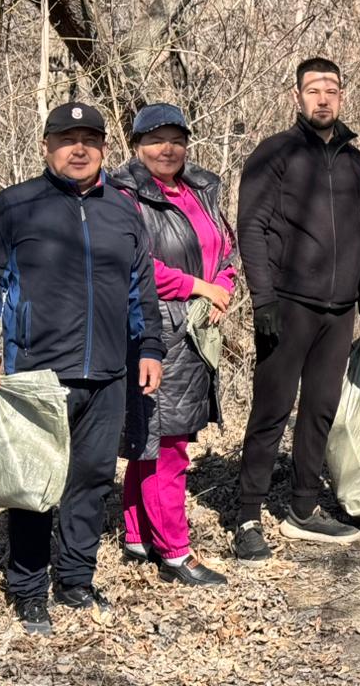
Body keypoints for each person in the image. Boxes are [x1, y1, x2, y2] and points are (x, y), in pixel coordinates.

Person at [0, 102, 165, 635]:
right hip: (36, 374)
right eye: (67, 138)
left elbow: (141, 285)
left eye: (90, 139)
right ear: (46, 146)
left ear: (104, 148)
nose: (80, 149)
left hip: (108, 373)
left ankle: (75, 579)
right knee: (34, 486)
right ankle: (28, 589)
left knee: (91, 480)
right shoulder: (15, 206)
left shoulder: (123, 209)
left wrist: (149, 349)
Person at [233, 58, 360, 562]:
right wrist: (263, 299)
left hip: (338, 313)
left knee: (320, 410)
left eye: (331, 89)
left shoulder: (357, 163)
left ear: (341, 97)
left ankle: (303, 508)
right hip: (287, 305)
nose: (322, 98)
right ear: (297, 97)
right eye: (313, 89)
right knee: (271, 410)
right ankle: (249, 514)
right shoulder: (277, 153)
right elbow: (250, 227)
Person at [111, 103, 235, 587]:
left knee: (154, 436)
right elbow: (133, 265)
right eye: (156, 139)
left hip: (195, 330)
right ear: (137, 146)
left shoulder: (200, 189)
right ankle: (175, 551)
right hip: (154, 330)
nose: (168, 149)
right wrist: (199, 287)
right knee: (167, 443)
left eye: (176, 139)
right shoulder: (124, 194)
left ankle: (138, 534)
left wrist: (222, 281)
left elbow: (226, 246)